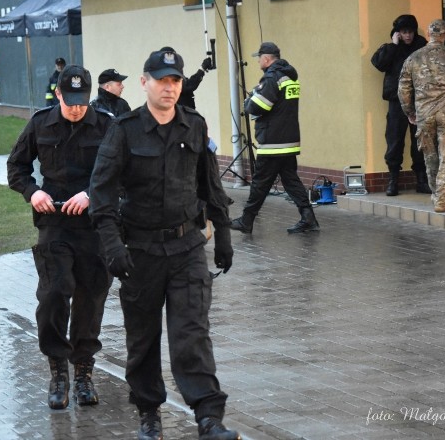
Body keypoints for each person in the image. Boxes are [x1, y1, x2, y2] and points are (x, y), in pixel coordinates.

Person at [89, 48, 240, 440]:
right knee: (143, 337)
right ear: (145, 83)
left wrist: (222, 234)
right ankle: (148, 413)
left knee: (192, 333)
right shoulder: (123, 131)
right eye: (161, 81)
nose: (169, 88)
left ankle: (209, 417)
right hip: (139, 253)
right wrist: (112, 248)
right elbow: (100, 196)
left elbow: (211, 185)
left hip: (187, 246)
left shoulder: (194, 125)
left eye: (175, 81)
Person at [7, 65, 114, 410]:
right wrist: (31, 191)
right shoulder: (40, 124)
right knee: (54, 293)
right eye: (70, 102)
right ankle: (58, 373)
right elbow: (16, 167)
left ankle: (83, 372)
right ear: (58, 95)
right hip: (54, 223)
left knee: (91, 296)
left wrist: (92, 195)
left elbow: (121, 175)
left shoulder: (107, 125)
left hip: (94, 224)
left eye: (82, 103)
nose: (76, 109)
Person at [229, 42, 318, 235]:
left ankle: (246, 221)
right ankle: (308, 217)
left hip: (273, 142)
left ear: (267, 58)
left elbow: (259, 106)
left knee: (260, 183)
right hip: (289, 140)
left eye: (259, 58)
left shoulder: (271, 78)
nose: (258, 61)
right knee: (291, 181)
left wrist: (249, 100)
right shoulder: (289, 76)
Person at [398, 20, 445, 213]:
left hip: (424, 114)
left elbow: (403, 89)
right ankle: (443, 199)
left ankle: (436, 195)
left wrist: (410, 112)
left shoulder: (413, 58)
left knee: (430, 156)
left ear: (430, 35)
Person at [371, 14, 431, 196]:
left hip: (418, 100)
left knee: (419, 141)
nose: (408, 36)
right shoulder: (391, 48)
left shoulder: (422, 46)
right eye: (404, 32)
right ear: (398, 33)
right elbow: (379, 64)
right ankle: (393, 180)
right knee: (395, 140)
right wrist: (393, 45)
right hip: (397, 102)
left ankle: (421, 180)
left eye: (410, 32)